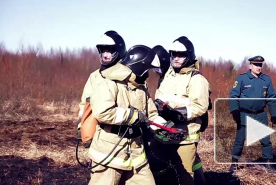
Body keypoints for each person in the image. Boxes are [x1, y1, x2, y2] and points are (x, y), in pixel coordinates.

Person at [88, 44, 167, 185]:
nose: (148, 74)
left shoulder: (141, 87)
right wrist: (132, 116)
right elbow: (103, 112)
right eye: (147, 70)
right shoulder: (109, 82)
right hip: (110, 154)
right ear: (140, 67)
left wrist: (164, 128)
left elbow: (151, 114)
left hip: (136, 154)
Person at [150, 37, 210, 185]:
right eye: (173, 54)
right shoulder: (167, 76)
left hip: (185, 136)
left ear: (188, 55)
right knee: (157, 165)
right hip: (164, 133)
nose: (176, 58)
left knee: (184, 174)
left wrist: (179, 114)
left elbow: (200, 106)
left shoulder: (197, 79)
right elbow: (160, 96)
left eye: (180, 55)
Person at [229, 55, 276, 173]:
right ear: (250, 65)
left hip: (260, 115)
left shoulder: (266, 80)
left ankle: (268, 165)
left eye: (260, 65)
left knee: (265, 141)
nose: (258, 67)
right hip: (244, 115)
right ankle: (234, 164)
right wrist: (235, 111)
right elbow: (233, 96)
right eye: (256, 65)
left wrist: (274, 114)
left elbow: (271, 98)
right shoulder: (242, 79)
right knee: (240, 140)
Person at [78, 30, 127, 119]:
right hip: (99, 130)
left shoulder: (129, 76)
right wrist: (82, 125)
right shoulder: (94, 77)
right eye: (103, 51)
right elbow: (85, 105)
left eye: (109, 51)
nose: (105, 55)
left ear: (119, 50)